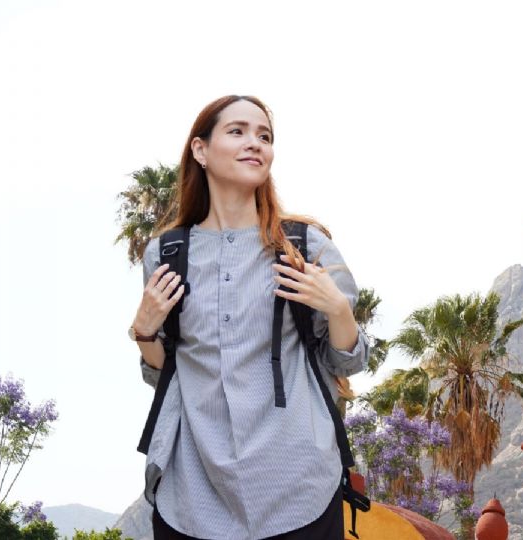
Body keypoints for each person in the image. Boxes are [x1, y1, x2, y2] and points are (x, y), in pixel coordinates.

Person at [128, 95, 368, 540]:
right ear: (201, 150)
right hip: (192, 493)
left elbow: (347, 362)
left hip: (299, 489)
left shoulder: (304, 245)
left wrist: (336, 308)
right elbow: (169, 375)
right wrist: (143, 332)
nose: (255, 143)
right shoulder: (165, 255)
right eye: (237, 131)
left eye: (265, 136)